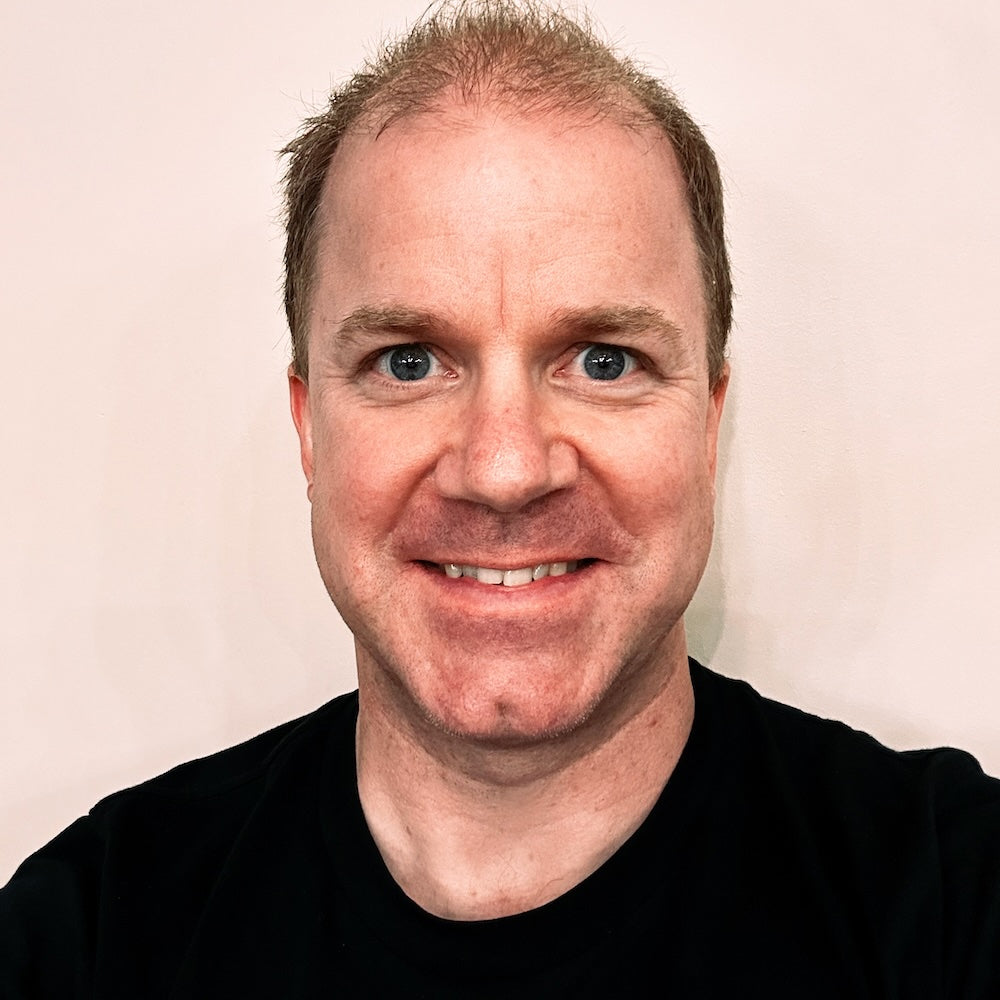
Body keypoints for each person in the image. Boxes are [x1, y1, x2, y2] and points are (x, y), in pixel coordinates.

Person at [2, 1, 998, 995]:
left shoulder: (956, 902)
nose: (505, 468)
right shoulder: (92, 937)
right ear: (310, 428)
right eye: (408, 361)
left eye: (604, 361)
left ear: (707, 424)